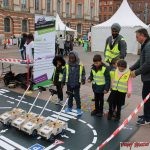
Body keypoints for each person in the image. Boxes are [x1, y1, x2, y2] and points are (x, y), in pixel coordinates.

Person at [130, 28, 150, 125]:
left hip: (149, 79)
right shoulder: (145, 45)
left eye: (137, 37)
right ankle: (147, 115)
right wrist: (130, 69)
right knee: (146, 97)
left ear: (143, 35)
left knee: (146, 97)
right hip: (147, 78)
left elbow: (148, 64)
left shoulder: (148, 46)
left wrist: (136, 72)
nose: (136, 39)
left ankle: (147, 118)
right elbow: (140, 61)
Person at [62, 51, 86, 116]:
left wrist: (83, 79)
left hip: (76, 84)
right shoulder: (67, 64)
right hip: (69, 83)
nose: (71, 60)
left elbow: (83, 73)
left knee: (77, 96)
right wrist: (63, 81)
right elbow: (64, 73)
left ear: (76, 57)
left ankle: (78, 108)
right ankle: (69, 107)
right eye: (70, 58)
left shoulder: (80, 65)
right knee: (69, 96)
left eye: (73, 58)